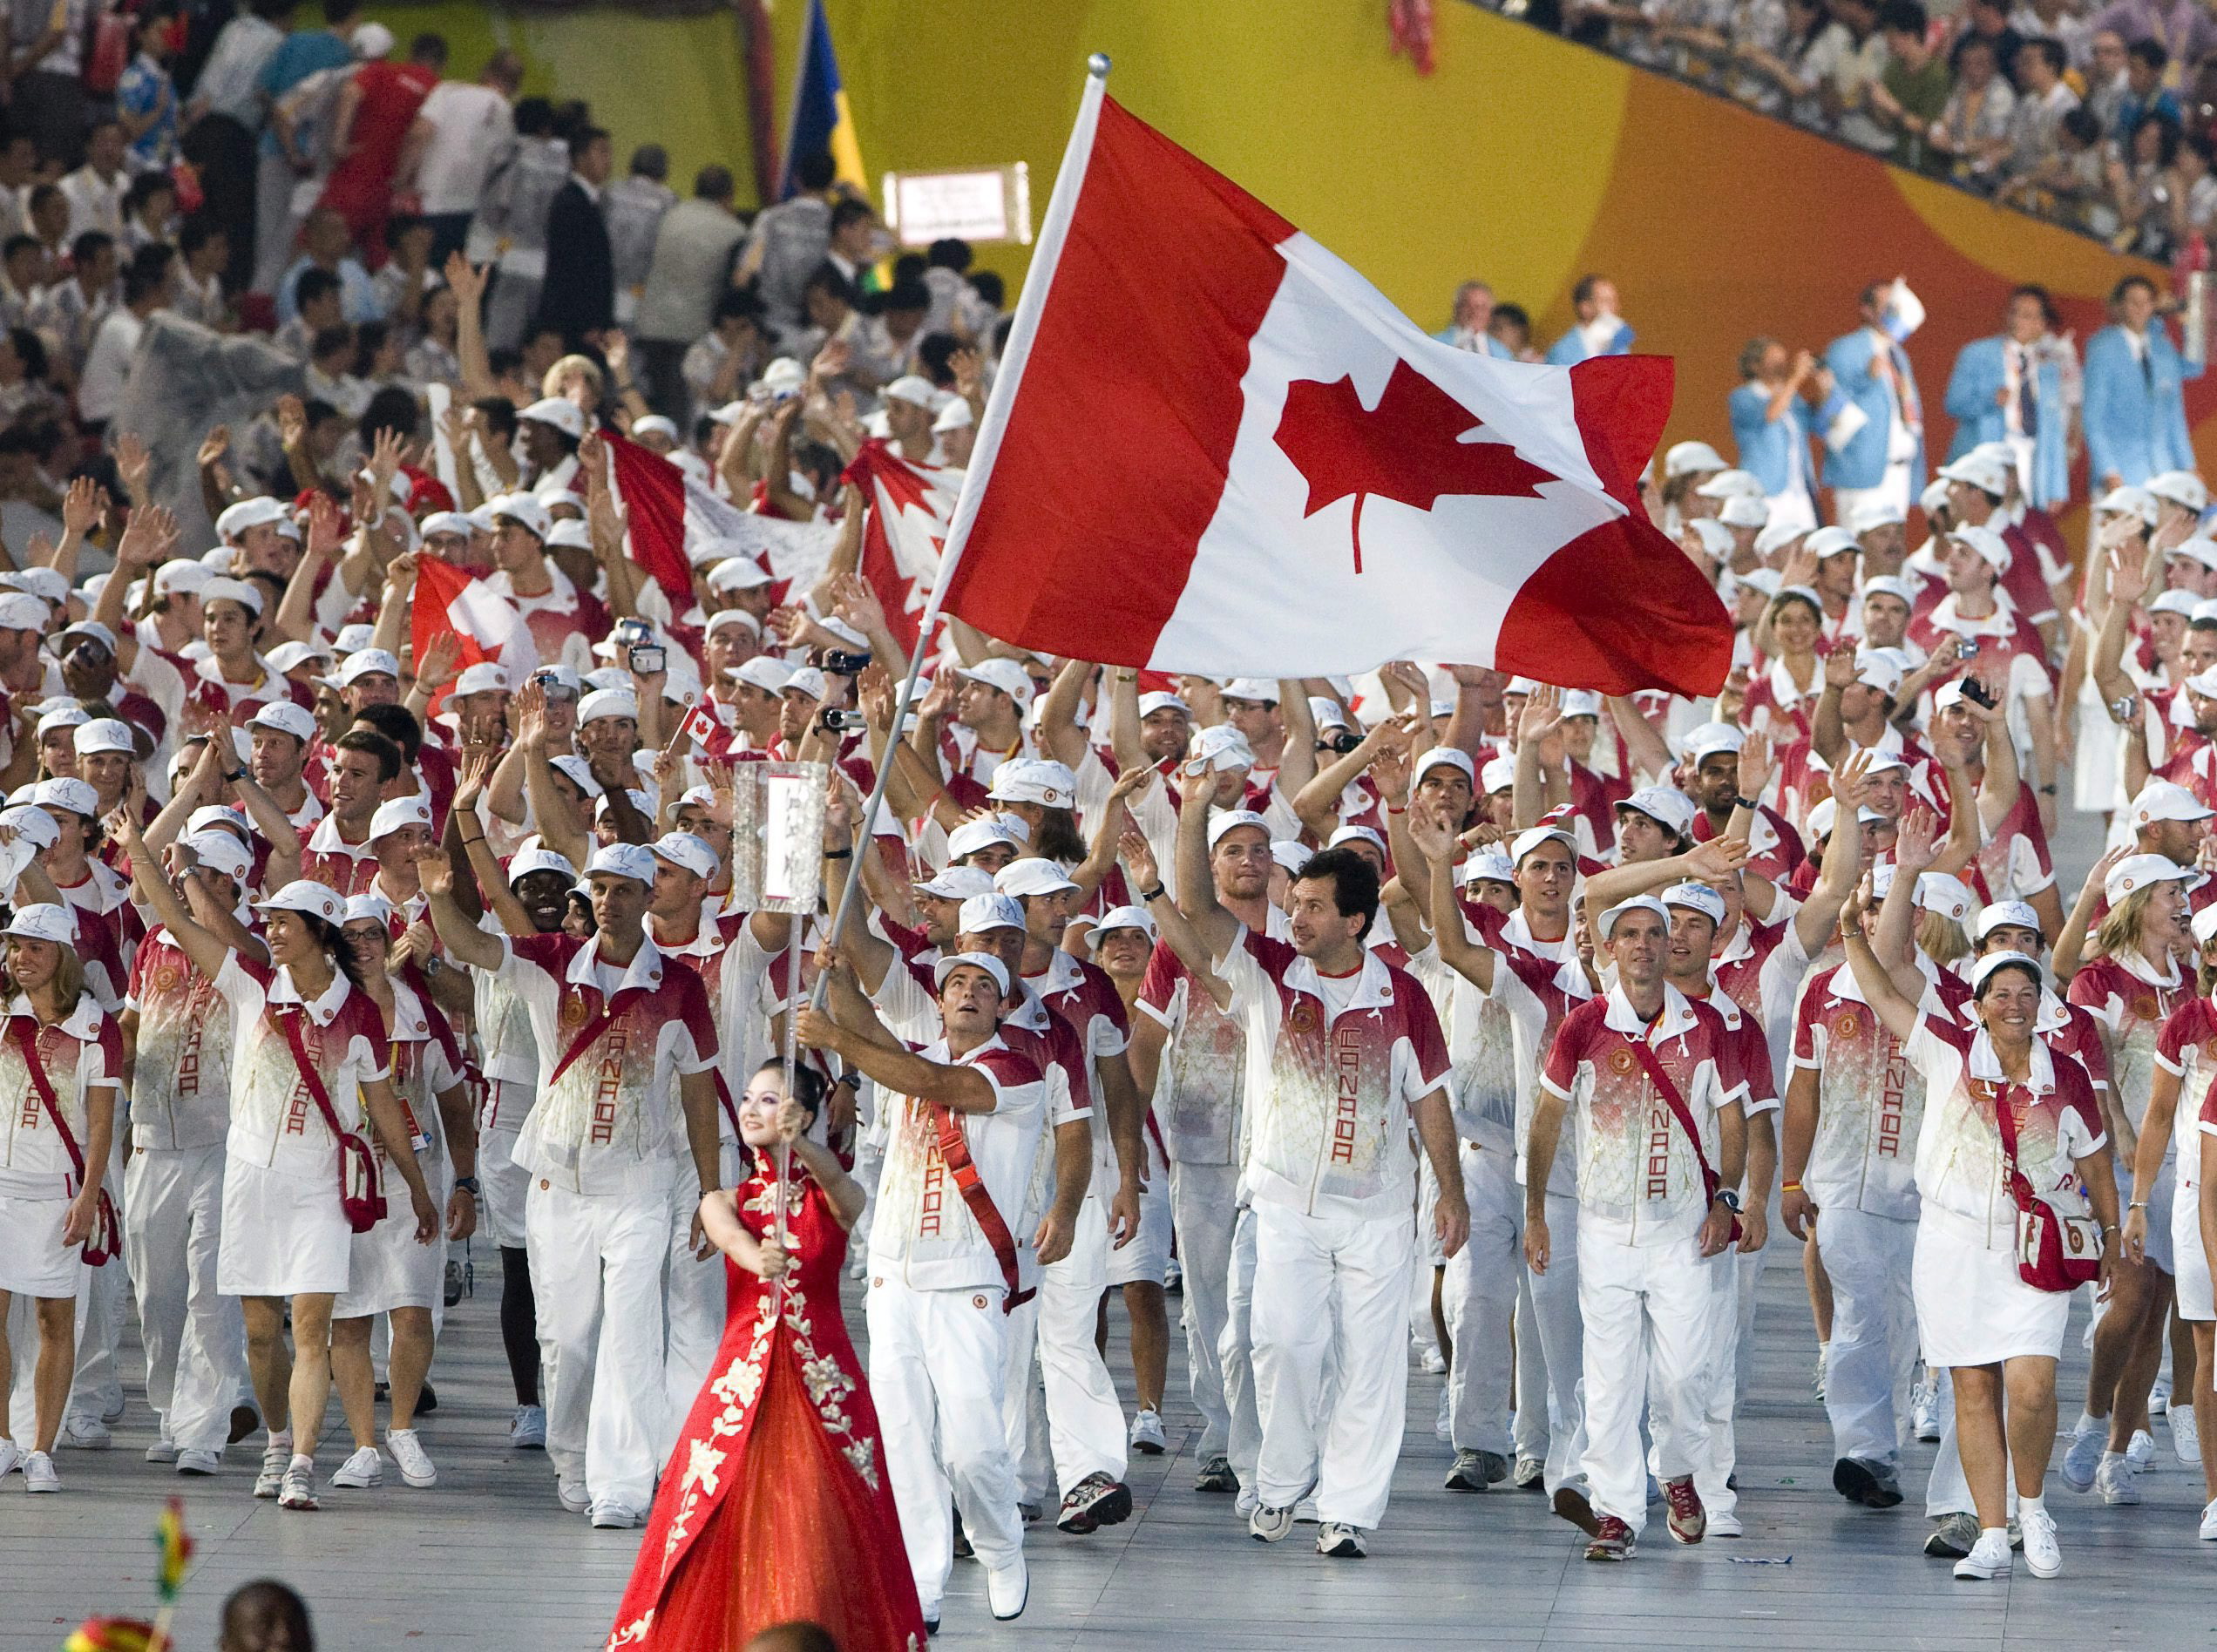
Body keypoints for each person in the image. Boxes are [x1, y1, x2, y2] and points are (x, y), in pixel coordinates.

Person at [1170, 771, 1467, 1559]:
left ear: (1354, 921)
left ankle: (1347, 1508)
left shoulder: (1401, 995)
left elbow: (1429, 1099)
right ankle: (1280, 1482)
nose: (1291, 914)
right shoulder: (1270, 970)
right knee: (1284, 1344)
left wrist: (1452, 1195)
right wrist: (1195, 806)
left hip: (1375, 1209)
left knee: (1371, 1364)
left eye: (1309, 906)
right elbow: (1197, 908)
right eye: (1290, 902)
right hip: (1286, 1204)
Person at [119, 822, 435, 1513]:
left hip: (319, 1188)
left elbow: (382, 1107)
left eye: (283, 923)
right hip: (250, 1183)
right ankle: (275, 1437)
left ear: (321, 933)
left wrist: (418, 1188)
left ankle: (300, 1465)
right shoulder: (251, 987)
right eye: (269, 922)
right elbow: (174, 914)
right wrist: (143, 852)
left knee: (312, 1328)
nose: (271, 932)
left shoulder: (358, 1015)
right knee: (262, 1335)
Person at [605, 1062, 927, 1652]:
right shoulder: (724, 1199)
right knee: (714, 1508)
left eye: (769, 1100)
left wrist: (803, 1143)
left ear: (800, 1112)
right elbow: (726, 1234)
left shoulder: (835, 1197)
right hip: (741, 1382)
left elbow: (845, 1191)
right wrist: (757, 1257)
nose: (752, 1109)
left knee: (824, 1518)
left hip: (823, 1383)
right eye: (748, 1098)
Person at [1842, 919, 2118, 1581]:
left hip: (2037, 1245)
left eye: (2027, 993)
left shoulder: (2068, 1077)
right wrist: (1852, 931)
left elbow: (2098, 1163)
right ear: (1978, 1004)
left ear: (2043, 1004)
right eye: (2001, 994)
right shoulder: (1947, 1049)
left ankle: (2033, 1509)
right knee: (1972, 1386)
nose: (2015, 1005)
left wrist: (2112, 1234)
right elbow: (1881, 992)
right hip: (1953, 1243)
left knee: (2031, 1387)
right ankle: (1991, 1535)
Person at [797, 949, 1043, 1630]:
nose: (967, 993)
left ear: (1003, 1005)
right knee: (903, 1440)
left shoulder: (1015, 1072)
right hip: (895, 1276)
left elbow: (927, 1078)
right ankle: (920, 1584)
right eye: (956, 984)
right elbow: (877, 1037)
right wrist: (839, 979)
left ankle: (1000, 1547)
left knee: (972, 1445)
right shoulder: (912, 1054)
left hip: (966, 1281)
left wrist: (836, 1037)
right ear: (939, 1002)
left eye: (983, 987)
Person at [1524, 896, 1748, 1561]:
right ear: (1610, 950)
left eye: (1657, 934)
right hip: (1603, 1231)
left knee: (1683, 1376)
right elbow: (1546, 1121)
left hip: (1681, 1230)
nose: (1647, 945)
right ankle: (1616, 1512)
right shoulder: (1584, 1027)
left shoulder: (1707, 1027)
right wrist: (1536, 1211)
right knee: (1612, 1375)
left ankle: (1677, 1471)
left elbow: (1733, 1121)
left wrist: (1727, 1200)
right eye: (1631, 935)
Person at [0, 904, 120, 1494]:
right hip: (0, 1184)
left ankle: (41, 1448)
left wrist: (90, 1195)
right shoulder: (2, 1014)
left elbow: (101, 1125)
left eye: (33, 949)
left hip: (56, 1190)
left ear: (63, 957)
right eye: (15, 947)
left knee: (54, 1317)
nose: (20, 959)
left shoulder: (98, 1028)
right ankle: (2, 1440)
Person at [2083, 273, 2202, 490]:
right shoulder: (2102, 348)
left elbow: (2177, 410)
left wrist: (2189, 466)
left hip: (2163, 471)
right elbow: (2093, 420)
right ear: (2120, 306)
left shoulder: (2162, 348)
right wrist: (2108, 470)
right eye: (2133, 302)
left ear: (2153, 307)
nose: (2140, 308)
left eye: (2146, 302)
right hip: (2120, 473)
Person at [535, 125, 614, 351]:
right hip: (576, 324)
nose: (608, 160)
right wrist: (587, 322)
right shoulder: (571, 203)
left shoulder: (590, 202)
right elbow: (571, 267)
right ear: (580, 158)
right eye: (602, 152)